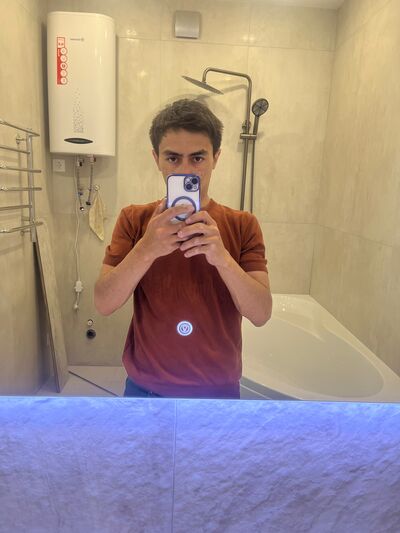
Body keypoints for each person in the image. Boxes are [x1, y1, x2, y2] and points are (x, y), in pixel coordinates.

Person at [94, 98, 272, 399]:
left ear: (216, 157)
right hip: (145, 391)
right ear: (156, 159)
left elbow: (261, 313)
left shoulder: (243, 224)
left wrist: (222, 259)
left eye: (198, 158)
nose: (185, 170)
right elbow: (104, 303)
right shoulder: (134, 219)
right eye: (173, 158)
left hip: (218, 393)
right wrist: (146, 249)